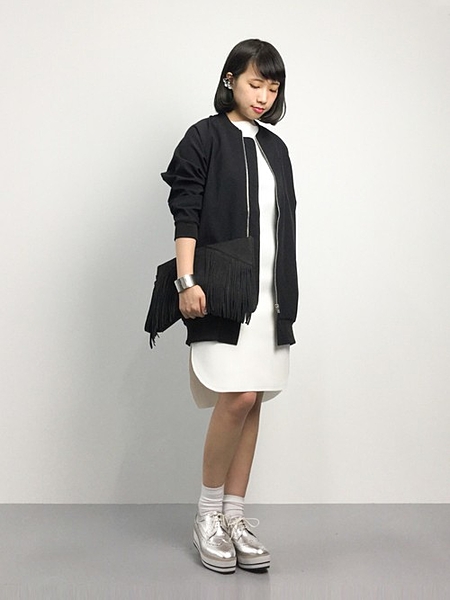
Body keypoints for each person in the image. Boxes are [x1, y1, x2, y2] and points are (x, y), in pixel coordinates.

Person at [161, 39, 298, 573]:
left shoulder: (276, 148)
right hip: (220, 288)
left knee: (253, 398)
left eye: (272, 88)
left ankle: (235, 518)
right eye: (254, 83)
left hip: (270, 296)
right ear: (230, 81)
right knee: (235, 397)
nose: (262, 96)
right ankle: (207, 516)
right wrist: (186, 280)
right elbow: (186, 210)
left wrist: (286, 295)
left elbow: (281, 227)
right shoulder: (204, 136)